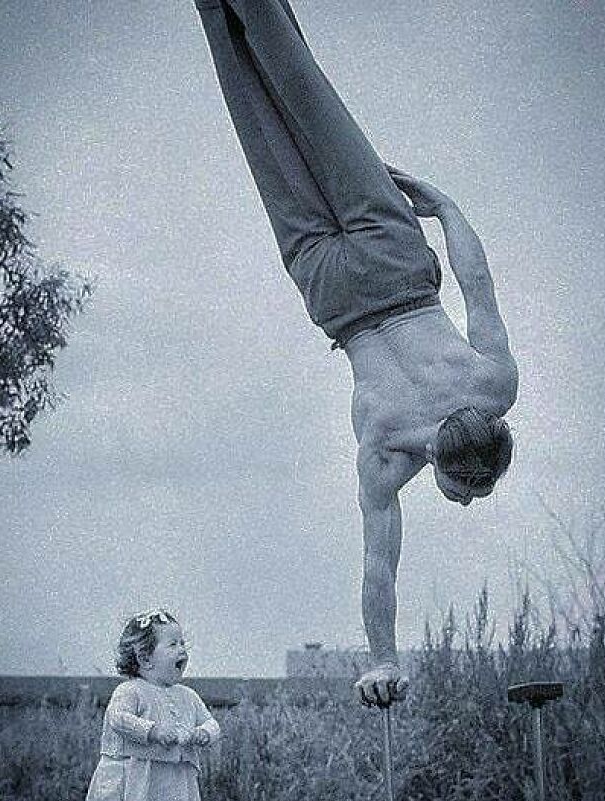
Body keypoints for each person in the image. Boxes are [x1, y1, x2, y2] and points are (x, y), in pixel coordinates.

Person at [192, 1, 518, 708]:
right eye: (468, 494)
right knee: (256, 113)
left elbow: (478, 283)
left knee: (303, 89)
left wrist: (448, 208)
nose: (464, 505)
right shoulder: (386, 458)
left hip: (393, 257)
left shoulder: (494, 385)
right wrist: (382, 659)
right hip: (335, 294)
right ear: (439, 459)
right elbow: (380, 562)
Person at [81, 609, 221, 801]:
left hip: (170, 782)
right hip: (132, 777)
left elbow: (212, 723)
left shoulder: (187, 696)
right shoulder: (130, 690)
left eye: (182, 644)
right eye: (172, 644)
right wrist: (152, 731)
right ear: (145, 658)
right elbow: (118, 719)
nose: (182, 650)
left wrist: (204, 733)